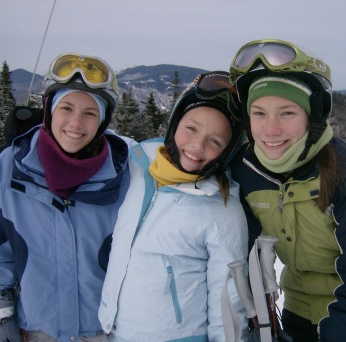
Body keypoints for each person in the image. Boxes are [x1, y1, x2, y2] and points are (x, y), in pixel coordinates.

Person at [228, 39, 346, 341]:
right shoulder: (245, 171)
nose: (271, 130)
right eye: (259, 113)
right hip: (301, 301)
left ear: (311, 116)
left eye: (287, 113)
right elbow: (247, 251)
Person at [0, 53, 135, 341]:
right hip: (40, 329)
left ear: (102, 121)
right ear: (49, 109)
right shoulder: (13, 166)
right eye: (66, 107)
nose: (76, 123)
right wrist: (0, 315)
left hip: (105, 330)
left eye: (90, 113)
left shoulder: (124, 171)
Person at [98, 71, 249, 341]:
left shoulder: (224, 210)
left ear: (227, 152)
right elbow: (88, 138)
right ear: (175, 124)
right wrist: (39, 131)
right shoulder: (139, 166)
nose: (197, 145)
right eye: (191, 128)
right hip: (113, 330)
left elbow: (228, 300)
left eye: (215, 141)